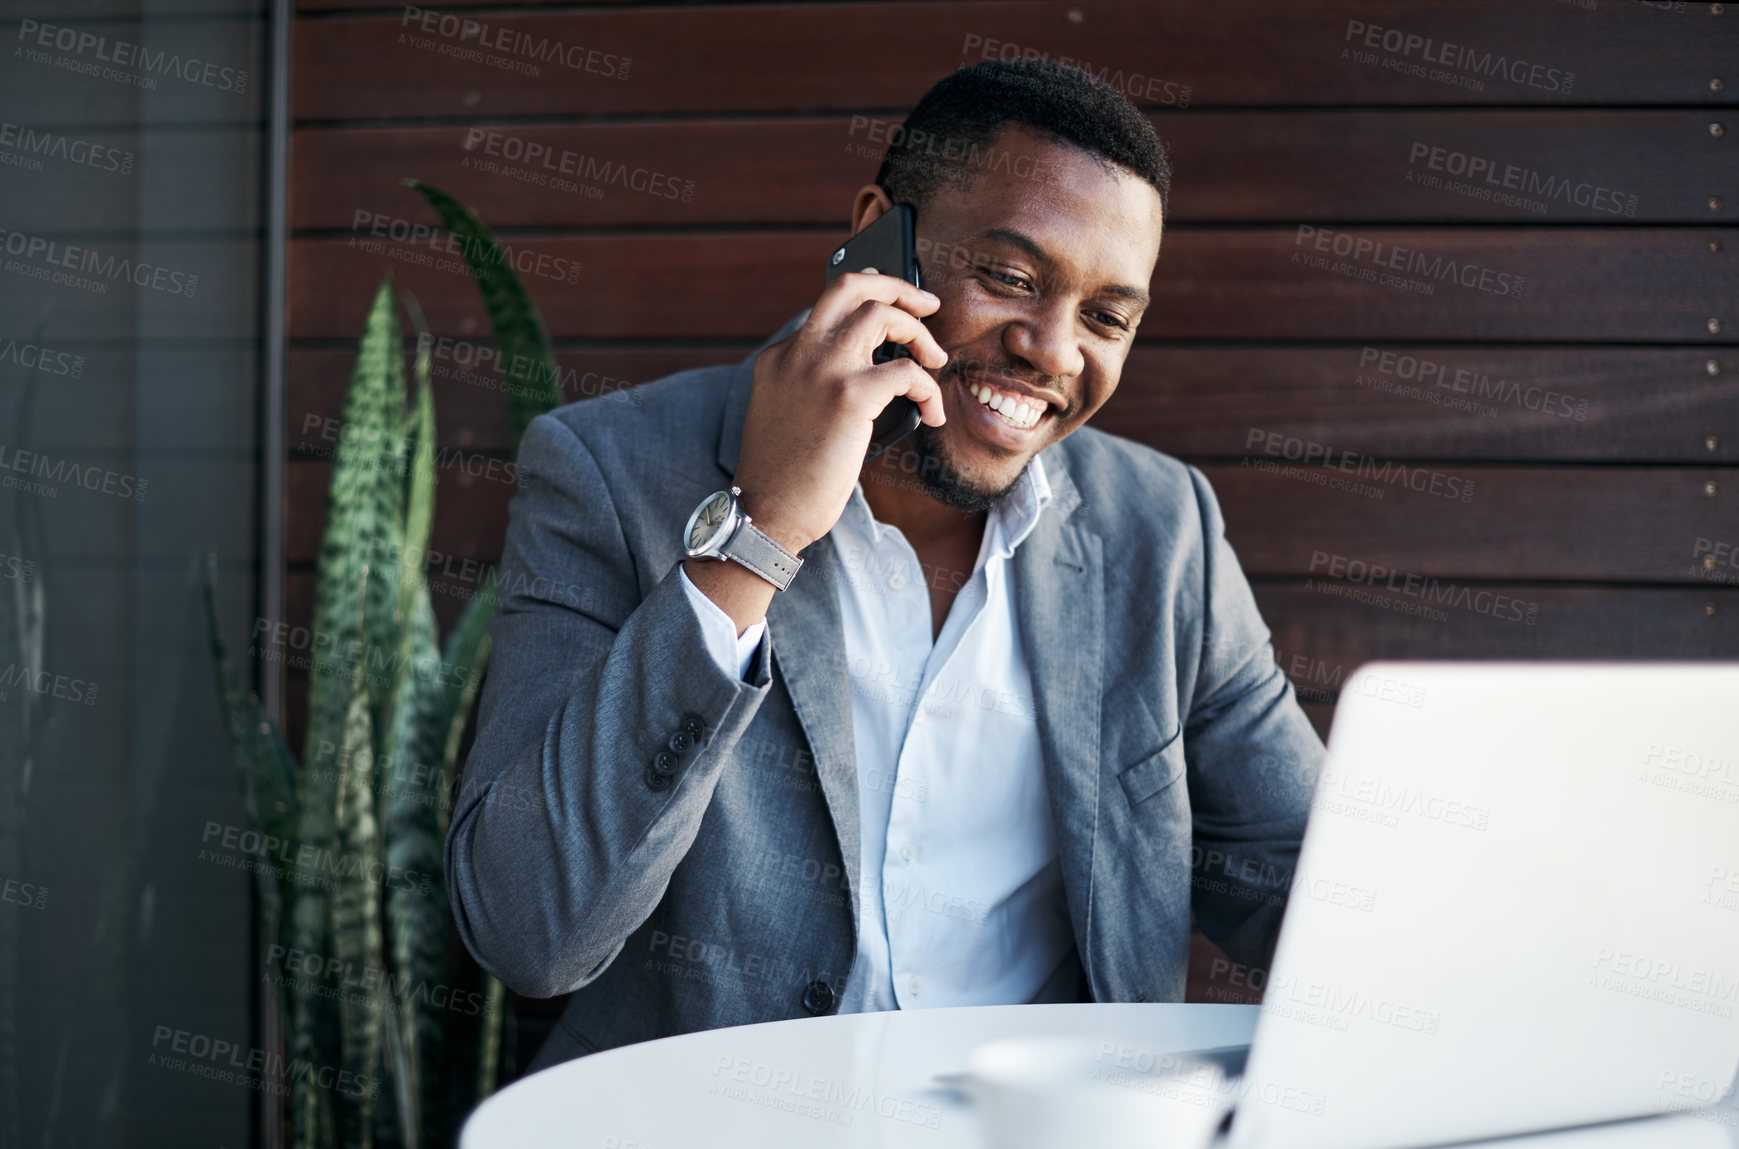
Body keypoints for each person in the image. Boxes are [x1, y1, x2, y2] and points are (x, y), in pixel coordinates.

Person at [445, 57, 1324, 1072]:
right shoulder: (608, 472)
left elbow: (1301, 886)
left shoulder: (1159, 530)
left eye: (1105, 317)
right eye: (1008, 277)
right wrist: (760, 530)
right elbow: (527, 930)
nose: (1051, 349)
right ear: (876, 236)